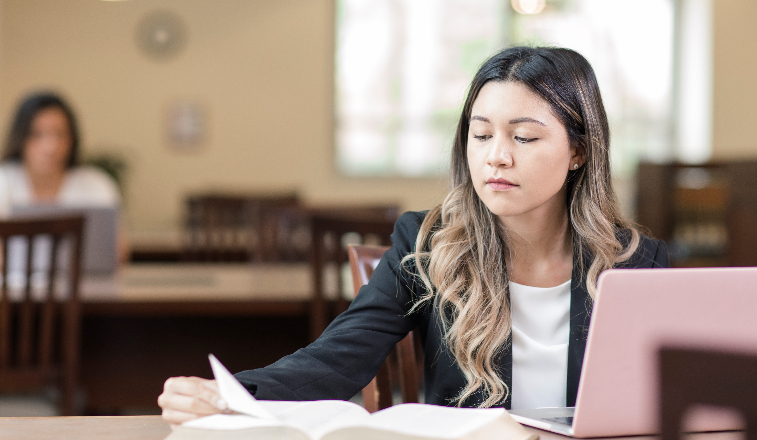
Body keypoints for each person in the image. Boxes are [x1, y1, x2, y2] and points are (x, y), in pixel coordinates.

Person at [157, 46, 669, 424]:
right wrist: (233, 394)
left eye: (525, 136)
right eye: (482, 134)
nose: (497, 156)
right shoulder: (426, 243)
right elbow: (340, 357)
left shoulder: (636, 264)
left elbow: (671, 397)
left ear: (579, 151)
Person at [0, 92, 127, 260]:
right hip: (13, 285)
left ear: (72, 138)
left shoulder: (97, 185)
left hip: (88, 285)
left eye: (59, 134)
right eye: (37, 134)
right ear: (20, 137)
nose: (50, 147)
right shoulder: (4, 182)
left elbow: (119, 251)